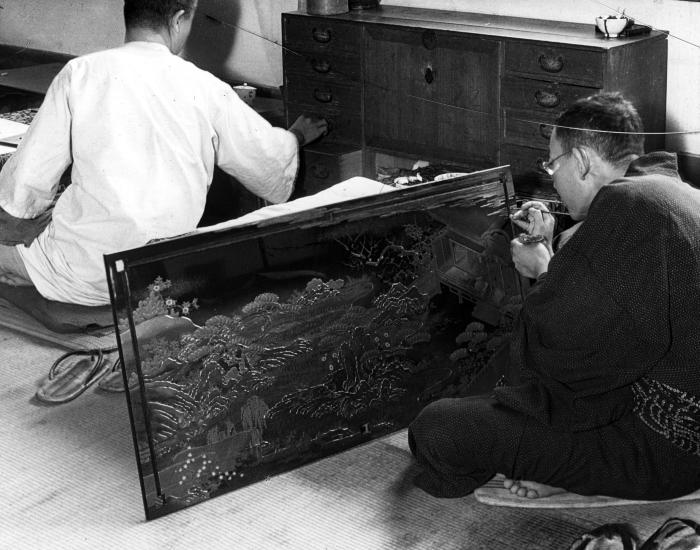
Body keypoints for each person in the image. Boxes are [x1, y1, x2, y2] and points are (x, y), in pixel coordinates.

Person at [408, 92, 700, 501]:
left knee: (438, 428)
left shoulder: (625, 203)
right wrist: (554, 254)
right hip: (661, 414)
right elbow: (623, 323)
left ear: (581, 161)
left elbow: (569, 356)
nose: (552, 179)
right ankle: (566, 470)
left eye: (552, 164)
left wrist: (543, 269)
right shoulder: (670, 191)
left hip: (660, 450)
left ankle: (580, 476)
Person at [0, 0, 327, 306]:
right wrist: (296, 135)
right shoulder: (205, 85)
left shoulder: (80, 72)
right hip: (164, 274)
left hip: (84, 271)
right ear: (179, 18)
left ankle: (29, 274)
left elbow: (26, 182)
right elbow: (265, 158)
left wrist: (19, 223)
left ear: (128, 14)